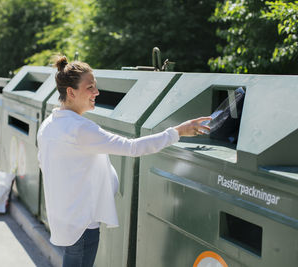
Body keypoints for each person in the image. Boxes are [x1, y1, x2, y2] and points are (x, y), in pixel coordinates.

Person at [37, 56, 210, 267]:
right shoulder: (80, 129)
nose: (96, 93)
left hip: (66, 221)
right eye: (90, 87)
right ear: (71, 92)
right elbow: (132, 147)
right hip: (82, 226)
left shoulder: (49, 125)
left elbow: (47, 166)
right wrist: (177, 132)